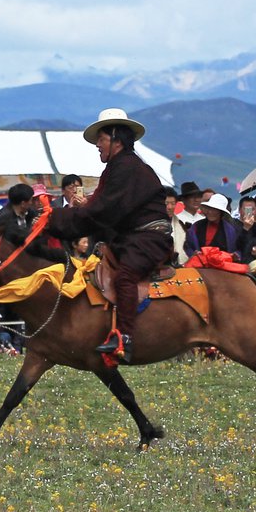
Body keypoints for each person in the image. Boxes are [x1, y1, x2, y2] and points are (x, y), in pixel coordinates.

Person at [46, 108, 172, 358]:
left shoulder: (127, 167)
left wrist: (55, 219)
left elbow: (103, 211)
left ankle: (124, 337)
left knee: (125, 277)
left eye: (101, 139)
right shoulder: (118, 168)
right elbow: (103, 208)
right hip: (132, 238)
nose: (97, 146)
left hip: (149, 238)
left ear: (116, 138)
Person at [183, 192, 243, 261]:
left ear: (221, 212)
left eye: (214, 209)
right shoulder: (196, 227)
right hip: (200, 267)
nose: (210, 212)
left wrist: (234, 256)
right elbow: (188, 246)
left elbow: (238, 250)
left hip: (222, 268)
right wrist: (193, 254)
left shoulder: (231, 230)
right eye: (209, 208)